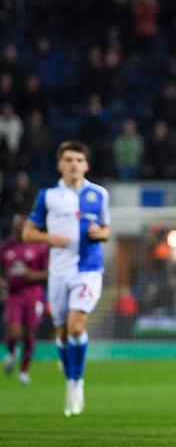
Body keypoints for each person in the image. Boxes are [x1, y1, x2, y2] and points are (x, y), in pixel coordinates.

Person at [23, 140, 111, 415]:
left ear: (87, 164)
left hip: (89, 269)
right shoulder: (48, 196)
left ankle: (78, 383)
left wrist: (102, 233)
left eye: (79, 160)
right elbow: (28, 233)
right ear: (60, 164)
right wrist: (48, 237)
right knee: (60, 331)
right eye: (69, 159)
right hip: (59, 271)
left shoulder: (99, 195)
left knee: (75, 327)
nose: (74, 164)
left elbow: (107, 228)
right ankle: (70, 380)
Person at [1, 215, 48, 384]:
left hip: (33, 294)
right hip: (13, 294)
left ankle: (23, 371)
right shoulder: (5, 247)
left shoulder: (39, 247)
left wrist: (33, 275)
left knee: (30, 332)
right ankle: (13, 352)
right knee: (13, 332)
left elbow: (49, 272)